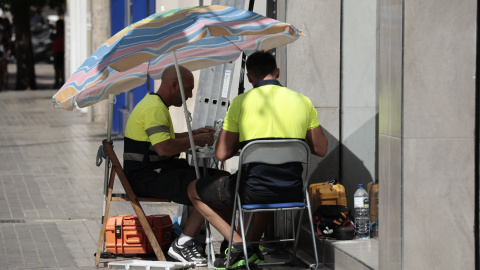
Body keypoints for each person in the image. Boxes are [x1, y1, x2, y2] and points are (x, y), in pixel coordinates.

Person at [187, 51, 328, 270]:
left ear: (250, 77)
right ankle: (248, 247)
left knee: (194, 189)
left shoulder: (241, 103)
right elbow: (321, 148)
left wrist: (239, 144)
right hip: (292, 190)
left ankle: (239, 245)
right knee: (268, 185)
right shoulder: (303, 101)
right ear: (277, 72)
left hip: (252, 191)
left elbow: (221, 154)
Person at [123, 65, 228, 266]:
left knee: (223, 179)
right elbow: (164, 148)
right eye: (188, 89)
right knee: (209, 186)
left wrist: (194, 134)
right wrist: (195, 141)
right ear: (174, 85)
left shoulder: (155, 104)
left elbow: (164, 138)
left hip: (157, 172)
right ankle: (184, 242)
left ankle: (231, 240)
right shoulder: (154, 108)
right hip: (148, 178)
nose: (189, 95)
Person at [51, 13, 65, 88]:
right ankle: (57, 82)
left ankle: (61, 82)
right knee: (57, 68)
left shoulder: (61, 33)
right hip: (57, 50)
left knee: (60, 68)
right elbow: (51, 37)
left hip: (60, 50)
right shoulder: (55, 33)